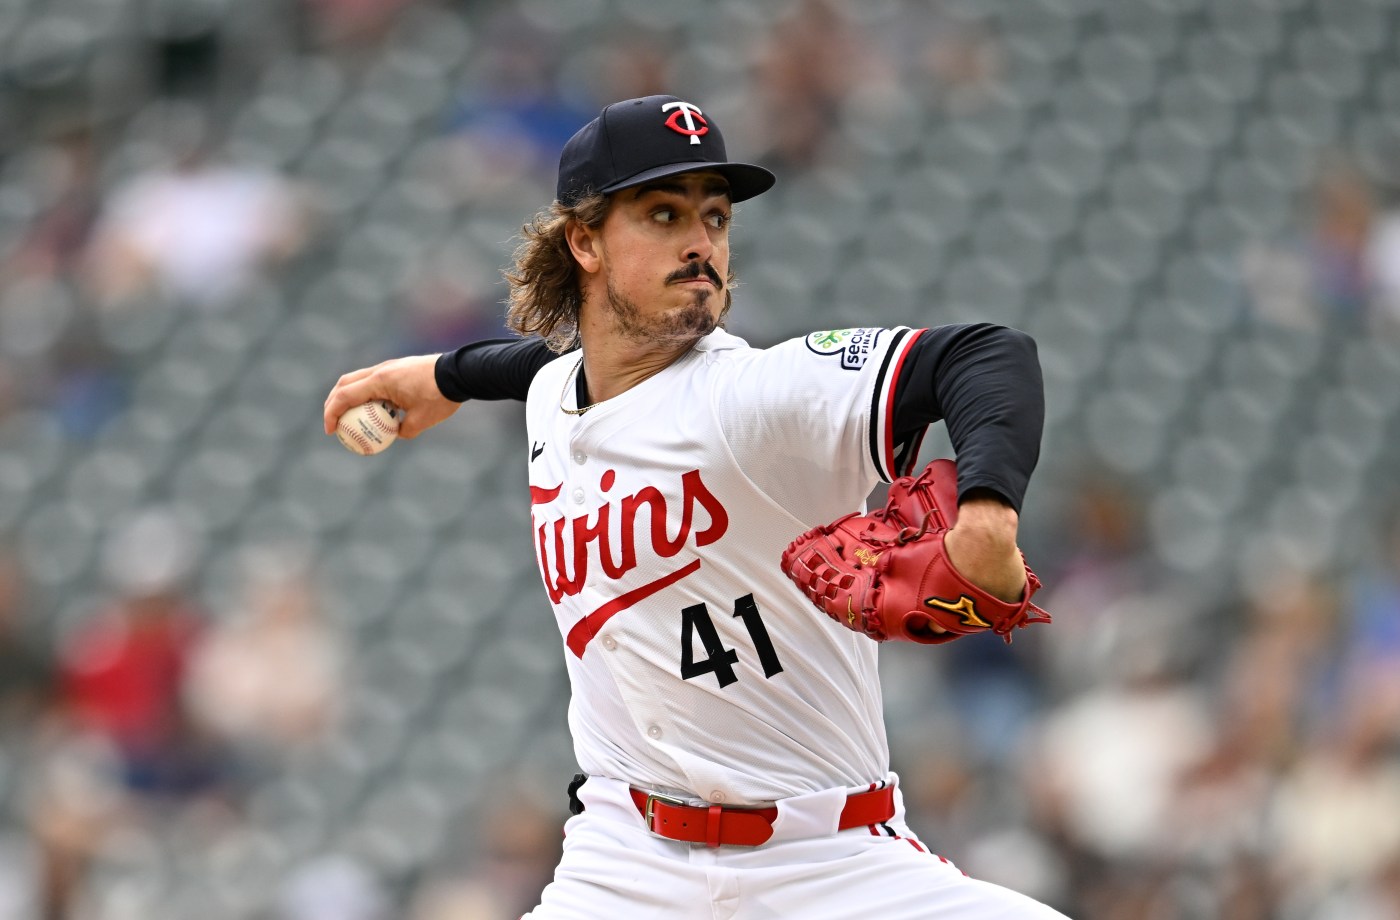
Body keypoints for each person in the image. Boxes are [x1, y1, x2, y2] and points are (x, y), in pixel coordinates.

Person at [323, 94, 1067, 919]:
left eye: (715, 217)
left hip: (830, 864)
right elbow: (547, 367)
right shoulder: (555, 393)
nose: (700, 242)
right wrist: (445, 375)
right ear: (583, 241)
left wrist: (987, 514)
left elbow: (986, 355)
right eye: (663, 214)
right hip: (624, 865)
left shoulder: (753, 395)